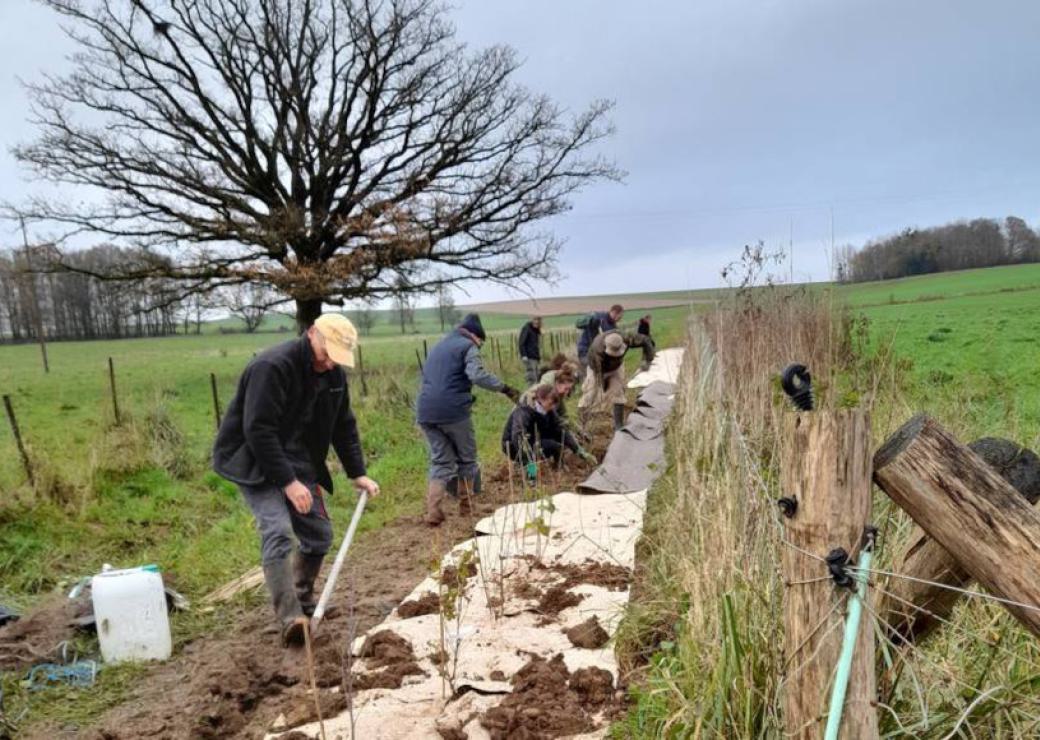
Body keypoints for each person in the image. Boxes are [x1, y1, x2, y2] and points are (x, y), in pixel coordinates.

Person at [213, 314, 381, 647]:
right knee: (276, 531)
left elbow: (343, 425)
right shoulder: (273, 367)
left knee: (319, 534)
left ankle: (304, 601)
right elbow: (258, 430)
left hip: (299, 459)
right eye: (327, 352)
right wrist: (288, 483)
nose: (330, 362)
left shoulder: (333, 375)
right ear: (312, 334)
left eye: (337, 357)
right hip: (256, 460)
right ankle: (290, 618)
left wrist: (356, 471)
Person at [417, 313, 520, 526]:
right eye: (480, 343)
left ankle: (433, 512)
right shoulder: (467, 346)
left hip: (425, 411)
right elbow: (477, 375)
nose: (479, 346)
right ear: (475, 335)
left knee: (440, 460)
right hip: (453, 411)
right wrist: (505, 388)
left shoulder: (439, 346)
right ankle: (467, 506)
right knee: (467, 458)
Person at [502, 385, 595, 481]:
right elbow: (518, 437)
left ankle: (558, 469)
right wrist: (529, 463)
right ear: (541, 399)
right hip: (515, 445)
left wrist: (579, 450)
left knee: (558, 447)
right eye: (551, 404)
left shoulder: (549, 410)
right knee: (531, 463)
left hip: (535, 439)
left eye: (554, 404)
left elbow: (560, 430)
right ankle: (529, 476)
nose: (553, 407)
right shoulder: (523, 412)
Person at [579, 330, 654, 431]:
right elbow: (600, 377)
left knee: (618, 392)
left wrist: (647, 360)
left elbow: (646, 340)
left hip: (616, 367)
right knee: (590, 394)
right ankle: (583, 427)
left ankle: (618, 425)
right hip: (596, 370)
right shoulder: (597, 350)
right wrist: (604, 390)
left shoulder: (627, 338)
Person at [576, 304, 624, 372]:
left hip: (599, 354)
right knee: (592, 372)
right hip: (585, 351)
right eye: (619, 317)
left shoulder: (613, 328)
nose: (619, 320)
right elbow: (578, 324)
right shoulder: (598, 316)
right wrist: (590, 320)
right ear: (614, 312)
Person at [518, 316, 543, 385]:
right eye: (535, 319)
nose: (537, 321)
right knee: (531, 378)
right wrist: (524, 355)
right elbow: (521, 342)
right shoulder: (527, 328)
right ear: (531, 320)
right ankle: (530, 393)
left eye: (538, 320)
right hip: (529, 357)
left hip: (535, 357)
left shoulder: (535, 330)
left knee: (537, 377)